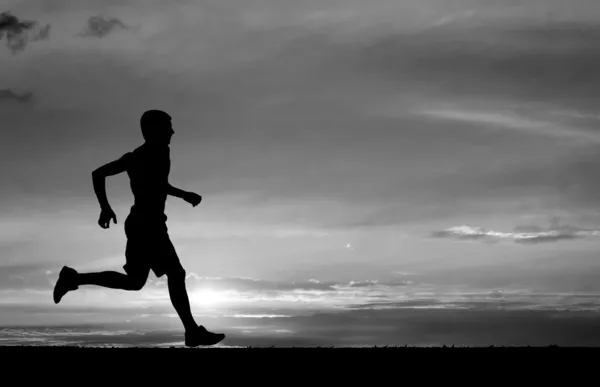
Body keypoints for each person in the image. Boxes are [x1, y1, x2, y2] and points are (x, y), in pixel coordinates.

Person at [53, 109, 225, 347]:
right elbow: (100, 174)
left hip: (143, 224)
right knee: (176, 273)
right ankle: (192, 332)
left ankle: (74, 277)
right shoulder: (138, 157)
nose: (172, 131)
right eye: (167, 127)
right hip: (147, 225)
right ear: (153, 130)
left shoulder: (156, 153)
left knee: (134, 282)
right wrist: (104, 206)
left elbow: (155, 184)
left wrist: (182, 194)